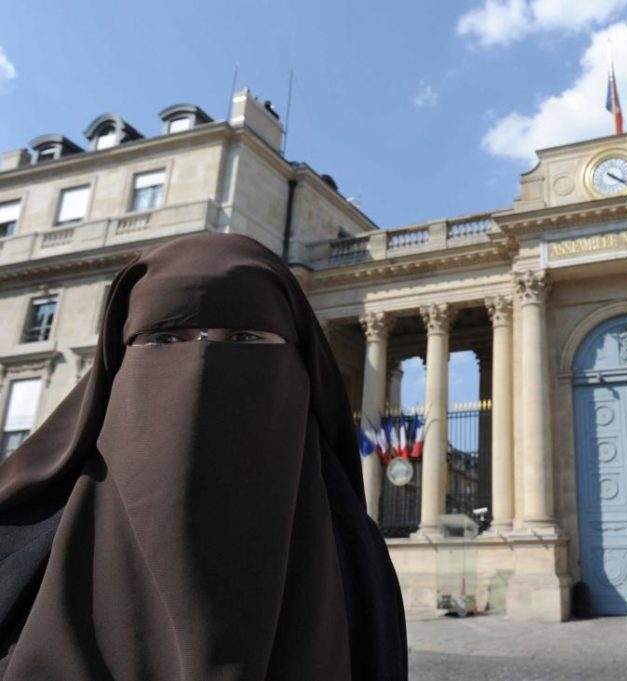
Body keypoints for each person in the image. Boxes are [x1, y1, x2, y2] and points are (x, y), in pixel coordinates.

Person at [0, 232, 408, 680]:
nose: (202, 366)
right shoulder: (15, 547)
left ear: (301, 366)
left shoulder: (356, 556)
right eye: (166, 339)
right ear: (116, 363)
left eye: (245, 338)